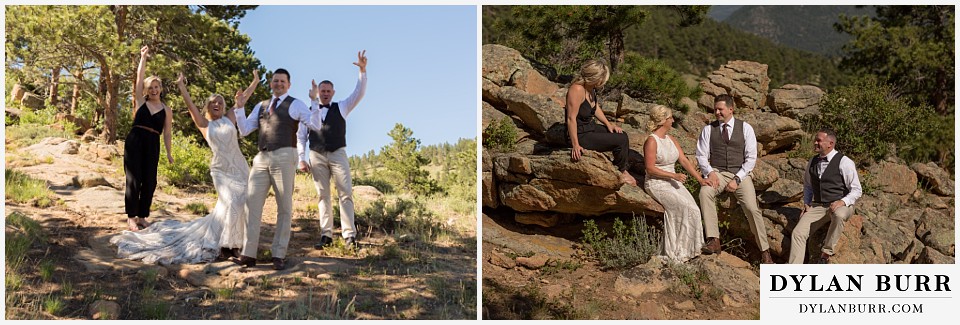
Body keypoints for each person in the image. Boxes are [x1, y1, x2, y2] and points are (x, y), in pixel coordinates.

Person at [111, 71, 259, 264]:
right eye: (213, 102)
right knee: (230, 201)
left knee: (241, 202)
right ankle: (226, 245)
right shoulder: (204, 123)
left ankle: (237, 242)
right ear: (208, 107)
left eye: (220, 102)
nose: (217, 105)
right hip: (221, 169)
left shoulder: (230, 118)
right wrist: (181, 86)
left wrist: (255, 81)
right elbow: (189, 104)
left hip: (239, 167)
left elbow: (243, 99)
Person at [232, 68, 325, 270]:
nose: (278, 84)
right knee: (252, 204)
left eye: (282, 81)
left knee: (284, 206)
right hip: (261, 157)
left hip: (285, 155)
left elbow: (316, 125)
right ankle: (249, 254)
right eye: (275, 81)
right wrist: (239, 109)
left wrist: (315, 101)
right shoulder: (261, 106)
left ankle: (278, 254)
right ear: (271, 84)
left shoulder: (296, 104)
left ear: (289, 85)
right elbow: (245, 130)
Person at [297, 50, 368, 250]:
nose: (326, 93)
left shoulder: (343, 107)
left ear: (333, 93)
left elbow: (359, 93)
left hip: (338, 153)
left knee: (345, 193)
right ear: (318, 92)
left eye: (329, 91)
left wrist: (362, 71)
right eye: (323, 90)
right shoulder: (308, 111)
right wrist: (301, 158)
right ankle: (326, 235)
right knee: (323, 195)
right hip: (316, 154)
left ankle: (349, 235)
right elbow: (301, 136)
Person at [695, 94, 773, 264]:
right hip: (718, 172)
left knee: (752, 208)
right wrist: (710, 172)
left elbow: (751, 158)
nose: (717, 112)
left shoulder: (746, 128)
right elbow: (701, 156)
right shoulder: (708, 130)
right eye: (715, 109)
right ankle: (714, 240)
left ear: (731, 109)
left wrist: (737, 179)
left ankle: (765, 252)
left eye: (720, 109)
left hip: (741, 174)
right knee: (705, 192)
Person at [642, 105, 707, 263]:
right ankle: (678, 252)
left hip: (672, 180)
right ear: (663, 120)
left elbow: (683, 160)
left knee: (694, 209)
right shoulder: (651, 141)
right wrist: (673, 175)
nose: (672, 121)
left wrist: (700, 179)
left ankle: (691, 248)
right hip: (657, 183)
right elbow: (650, 168)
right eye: (670, 118)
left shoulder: (671, 139)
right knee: (683, 208)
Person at [788, 128, 862, 264]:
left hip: (842, 205)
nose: (815, 143)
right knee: (798, 233)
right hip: (819, 205)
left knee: (839, 215)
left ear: (830, 143)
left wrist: (842, 201)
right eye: (815, 140)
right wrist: (807, 202)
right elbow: (808, 186)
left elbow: (857, 190)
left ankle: (826, 253)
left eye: (819, 140)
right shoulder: (812, 161)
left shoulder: (844, 162)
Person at [124, 45, 173, 232]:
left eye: (156, 87)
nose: (153, 90)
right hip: (135, 140)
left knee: (150, 181)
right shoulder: (141, 101)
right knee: (134, 179)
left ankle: (143, 216)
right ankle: (131, 217)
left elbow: (167, 133)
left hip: (153, 143)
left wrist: (169, 153)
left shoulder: (167, 110)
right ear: (146, 90)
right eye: (150, 87)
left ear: (161, 88)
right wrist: (143, 58)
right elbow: (138, 79)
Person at [565, 59, 637, 186]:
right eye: (602, 78)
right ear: (595, 77)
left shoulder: (591, 88)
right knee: (619, 141)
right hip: (580, 134)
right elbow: (571, 118)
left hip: (589, 127)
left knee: (622, 135)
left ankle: (621, 167)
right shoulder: (577, 89)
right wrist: (575, 144)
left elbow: (595, 107)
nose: (603, 81)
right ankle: (622, 171)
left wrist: (608, 124)